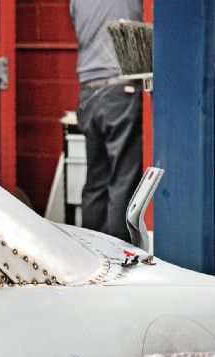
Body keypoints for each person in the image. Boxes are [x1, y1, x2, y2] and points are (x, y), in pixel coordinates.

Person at [70, 0, 143, 242]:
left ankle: (91, 249)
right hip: (119, 91)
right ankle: (121, 254)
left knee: (95, 181)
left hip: (88, 94)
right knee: (123, 179)